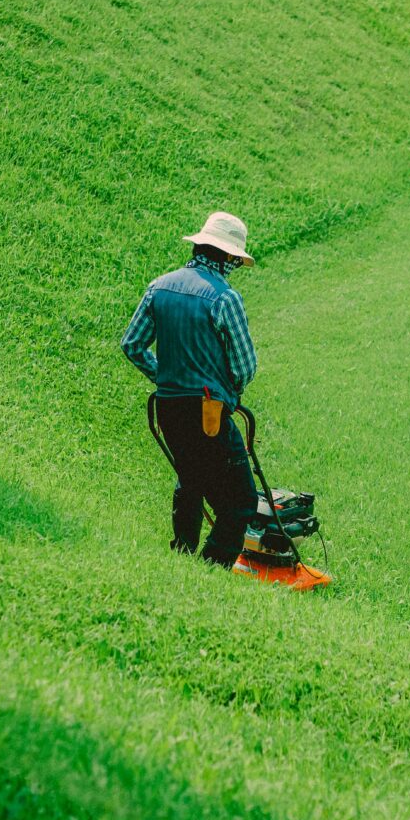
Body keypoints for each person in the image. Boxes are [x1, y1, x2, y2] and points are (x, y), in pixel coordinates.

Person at [121, 212, 259, 569]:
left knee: (191, 478)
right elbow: (245, 367)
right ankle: (212, 565)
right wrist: (231, 391)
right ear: (228, 257)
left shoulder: (159, 287)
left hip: (167, 407)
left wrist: (164, 376)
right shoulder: (225, 298)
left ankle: (182, 554)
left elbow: (132, 344)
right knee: (242, 499)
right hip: (209, 411)